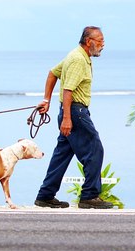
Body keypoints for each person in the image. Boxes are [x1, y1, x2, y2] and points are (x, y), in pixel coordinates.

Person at [34, 26, 114, 209]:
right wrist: (68, 119)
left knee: (62, 154)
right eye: (100, 41)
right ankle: (89, 195)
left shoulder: (75, 55)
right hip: (75, 113)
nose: (103, 45)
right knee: (95, 149)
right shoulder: (78, 59)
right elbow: (67, 90)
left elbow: (53, 72)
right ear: (89, 41)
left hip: (69, 110)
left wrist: (47, 100)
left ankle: (45, 195)